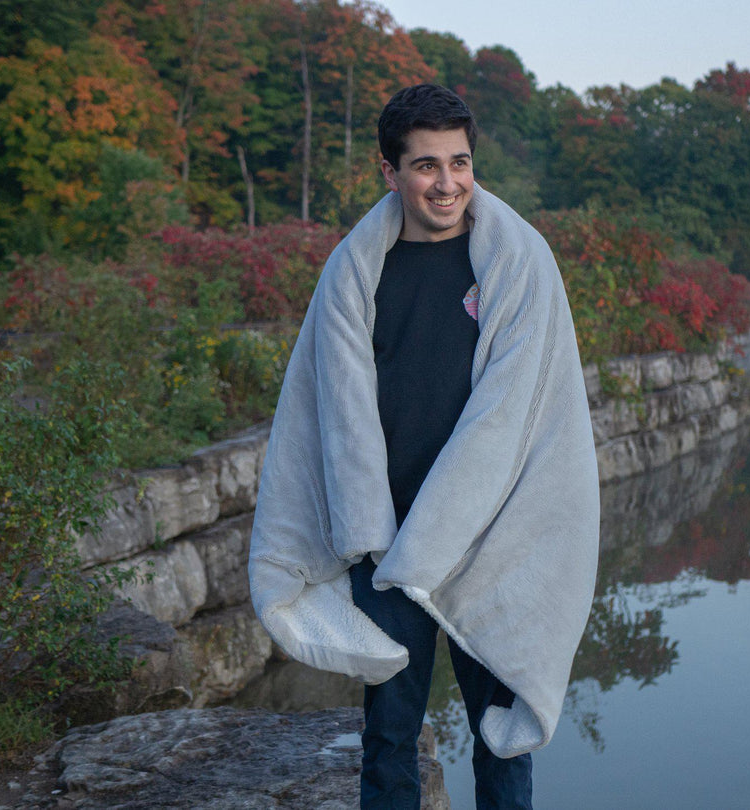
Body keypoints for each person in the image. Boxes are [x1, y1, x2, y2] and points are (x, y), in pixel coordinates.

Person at [250, 84, 600, 810]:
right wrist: (377, 541)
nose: (447, 183)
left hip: (492, 540)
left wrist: (461, 527)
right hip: (388, 543)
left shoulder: (517, 264)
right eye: (426, 166)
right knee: (388, 738)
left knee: (501, 741)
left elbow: (521, 415)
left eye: (460, 162)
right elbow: (329, 417)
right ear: (390, 170)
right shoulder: (355, 271)